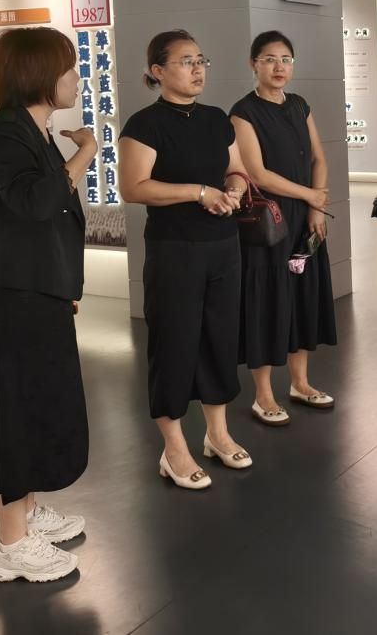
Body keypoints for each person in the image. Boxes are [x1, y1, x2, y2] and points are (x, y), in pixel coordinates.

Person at [0, 27, 95, 583]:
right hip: (9, 298)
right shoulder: (4, 134)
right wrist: (85, 153)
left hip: (35, 290)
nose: (76, 78)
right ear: (38, 74)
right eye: (67, 68)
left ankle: (28, 511)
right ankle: (10, 544)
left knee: (37, 403)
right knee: (13, 412)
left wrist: (61, 286)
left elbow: (49, 223)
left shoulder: (31, 131)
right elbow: (36, 204)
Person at [119, 30, 253, 491]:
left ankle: (217, 434)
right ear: (158, 71)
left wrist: (233, 189)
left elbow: (236, 169)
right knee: (174, 343)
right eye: (185, 61)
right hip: (174, 250)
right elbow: (134, 187)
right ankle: (174, 447)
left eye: (201, 60)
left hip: (223, 245)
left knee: (220, 339)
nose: (198, 69)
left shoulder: (217, 119)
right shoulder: (144, 125)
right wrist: (198, 193)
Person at [230, 30, 338, 424]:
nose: (279, 67)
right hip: (268, 222)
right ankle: (263, 395)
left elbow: (319, 158)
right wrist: (311, 197)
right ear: (253, 64)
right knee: (266, 301)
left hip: (305, 218)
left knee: (302, 296)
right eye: (270, 59)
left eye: (286, 59)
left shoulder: (299, 105)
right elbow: (256, 173)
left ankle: (300, 383)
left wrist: (314, 208)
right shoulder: (243, 113)